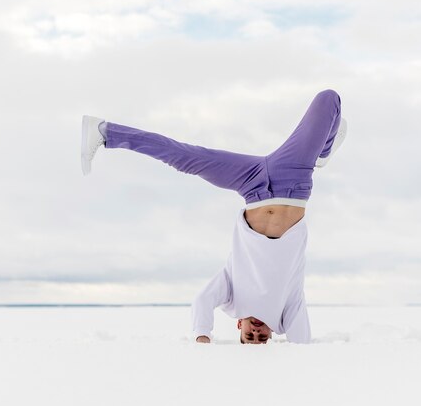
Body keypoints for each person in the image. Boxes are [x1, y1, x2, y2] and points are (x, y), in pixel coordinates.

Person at [81, 89, 346, 344]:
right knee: (328, 99)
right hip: (293, 179)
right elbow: (302, 343)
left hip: (251, 184)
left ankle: (104, 131)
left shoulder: (231, 296)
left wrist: (202, 336)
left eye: (248, 336)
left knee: (184, 157)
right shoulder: (286, 313)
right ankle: (321, 152)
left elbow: (202, 301)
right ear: (271, 334)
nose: (256, 332)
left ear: (238, 325)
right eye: (262, 337)